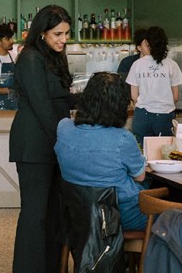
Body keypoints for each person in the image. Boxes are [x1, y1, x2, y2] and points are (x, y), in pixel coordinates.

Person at [9, 5, 74, 273]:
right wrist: (64, 140)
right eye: (57, 33)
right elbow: (41, 106)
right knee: (35, 214)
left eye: (66, 34)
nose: (63, 39)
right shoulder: (31, 59)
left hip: (52, 140)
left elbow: (60, 99)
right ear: (43, 32)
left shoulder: (52, 57)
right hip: (35, 143)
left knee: (55, 214)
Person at [55, 72, 147, 230]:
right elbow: (140, 176)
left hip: (77, 213)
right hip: (118, 215)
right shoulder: (123, 138)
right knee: (171, 217)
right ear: (120, 104)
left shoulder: (63, 128)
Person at [126, 25, 182, 141]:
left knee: (142, 152)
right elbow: (176, 97)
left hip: (142, 115)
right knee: (165, 154)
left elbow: (134, 96)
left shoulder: (137, 64)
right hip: (165, 115)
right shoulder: (172, 65)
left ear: (147, 43)